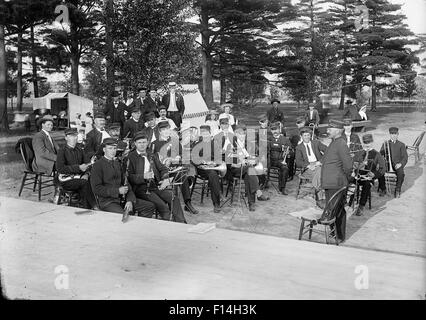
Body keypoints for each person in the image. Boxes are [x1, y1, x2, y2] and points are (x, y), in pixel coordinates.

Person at [127, 132, 186, 223]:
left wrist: (165, 179)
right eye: (139, 143)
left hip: (155, 185)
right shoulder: (130, 157)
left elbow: (162, 168)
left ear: (147, 143)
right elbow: (129, 177)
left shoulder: (151, 154)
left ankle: (181, 223)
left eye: (144, 142)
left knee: (173, 198)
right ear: (135, 143)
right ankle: (167, 227)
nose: (142, 145)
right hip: (141, 188)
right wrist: (143, 176)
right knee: (162, 206)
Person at [90, 137, 156, 216]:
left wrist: (129, 200)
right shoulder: (97, 165)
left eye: (114, 148)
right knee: (124, 216)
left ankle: (138, 226)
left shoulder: (117, 163)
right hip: (108, 202)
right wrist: (117, 191)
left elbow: (126, 183)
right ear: (104, 150)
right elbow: (97, 189)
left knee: (149, 206)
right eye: (110, 148)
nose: (113, 151)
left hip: (122, 199)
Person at [151, 121, 198, 214]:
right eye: (163, 130)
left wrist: (178, 157)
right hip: (162, 172)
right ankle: (165, 205)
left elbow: (182, 155)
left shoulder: (175, 141)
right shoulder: (154, 144)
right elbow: (152, 159)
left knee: (183, 176)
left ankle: (187, 203)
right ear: (160, 132)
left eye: (168, 129)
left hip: (174, 169)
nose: (166, 131)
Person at [320, 119, 353, 242]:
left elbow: (348, 165)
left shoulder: (341, 144)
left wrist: (343, 179)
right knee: (332, 209)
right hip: (330, 183)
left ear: (338, 130)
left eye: (330, 129)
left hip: (337, 184)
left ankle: (340, 236)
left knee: (338, 210)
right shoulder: (334, 142)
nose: (327, 130)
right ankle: (334, 233)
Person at [229, 124, 269, 211]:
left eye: (244, 134)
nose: (242, 136)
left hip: (247, 169)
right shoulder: (231, 144)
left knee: (249, 175)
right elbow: (229, 162)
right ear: (235, 134)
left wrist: (254, 160)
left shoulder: (247, 144)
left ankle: (251, 204)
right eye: (240, 134)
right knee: (250, 169)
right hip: (235, 169)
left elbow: (255, 155)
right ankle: (258, 193)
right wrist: (239, 163)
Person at [56, 128, 97, 209]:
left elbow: (88, 163)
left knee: (94, 179)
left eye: (75, 136)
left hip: (80, 176)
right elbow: (60, 168)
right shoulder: (62, 151)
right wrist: (78, 168)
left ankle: (87, 205)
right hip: (66, 179)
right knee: (84, 183)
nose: (74, 138)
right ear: (66, 138)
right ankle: (92, 206)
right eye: (71, 136)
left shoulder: (80, 150)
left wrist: (86, 174)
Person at [192, 125, 224, 213]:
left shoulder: (215, 144)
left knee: (213, 174)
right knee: (213, 175)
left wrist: (214, 163)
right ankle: (218, 197)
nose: (205, 135)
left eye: (206, 133)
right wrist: (201, 161)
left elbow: (219, 158)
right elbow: (193, 159)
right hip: (201, 169)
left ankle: (216, 203)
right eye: (203, 133)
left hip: (212, 168)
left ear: (210, 133)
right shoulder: (196, 144)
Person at [351, 134, 386, 215]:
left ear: (372, 142)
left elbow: (383, 168)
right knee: (344, 180)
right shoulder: (359, 153)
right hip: (357, 176)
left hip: (368, 178)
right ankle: (344, 201)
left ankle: (361, 206)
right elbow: (352, 164)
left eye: (368, 142)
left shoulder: (377, 154)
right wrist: (352, 171)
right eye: (365, 143)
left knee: (367, 185)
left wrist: (374, 174)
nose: (367, 145)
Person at [295, 127, 327, 197]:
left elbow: (328, 150)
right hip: (308, 167)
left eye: (308, 135)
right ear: (301, 136)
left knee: (320, 170)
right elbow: (298, 162)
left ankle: (317, 190)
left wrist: (320, 161)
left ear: (310, 135)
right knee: (322, 172)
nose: (307, 137)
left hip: (318, 164)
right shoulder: (299, 147)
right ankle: (319, 194)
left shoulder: (316, 143)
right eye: (305, 135)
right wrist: (309, 165)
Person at [379, 127, 408, 198]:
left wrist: (400, 164)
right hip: (387, 164)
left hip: (397, 164)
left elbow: (405, 157)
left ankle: (397, 189)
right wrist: (382, 156)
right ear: (390, 135)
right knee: (379, 171)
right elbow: (380, 155)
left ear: (398, 134)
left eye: (395, 134)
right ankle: (383, 189)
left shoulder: (401, 144)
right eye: (392, 134)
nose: (394, 136)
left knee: (401, 173)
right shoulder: (385, 143)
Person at [268, 125, 293, 195]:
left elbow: (290, 149)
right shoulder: (268, 139)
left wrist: (288, 152)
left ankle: (282, 187)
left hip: (280, 160)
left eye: (276, 129)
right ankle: (262, 183)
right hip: (270, 160)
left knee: (285, 168)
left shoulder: (285, 140)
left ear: (280, 130)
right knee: (261, 167)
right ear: (271, 131)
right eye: (273, 130)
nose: (275, 131)